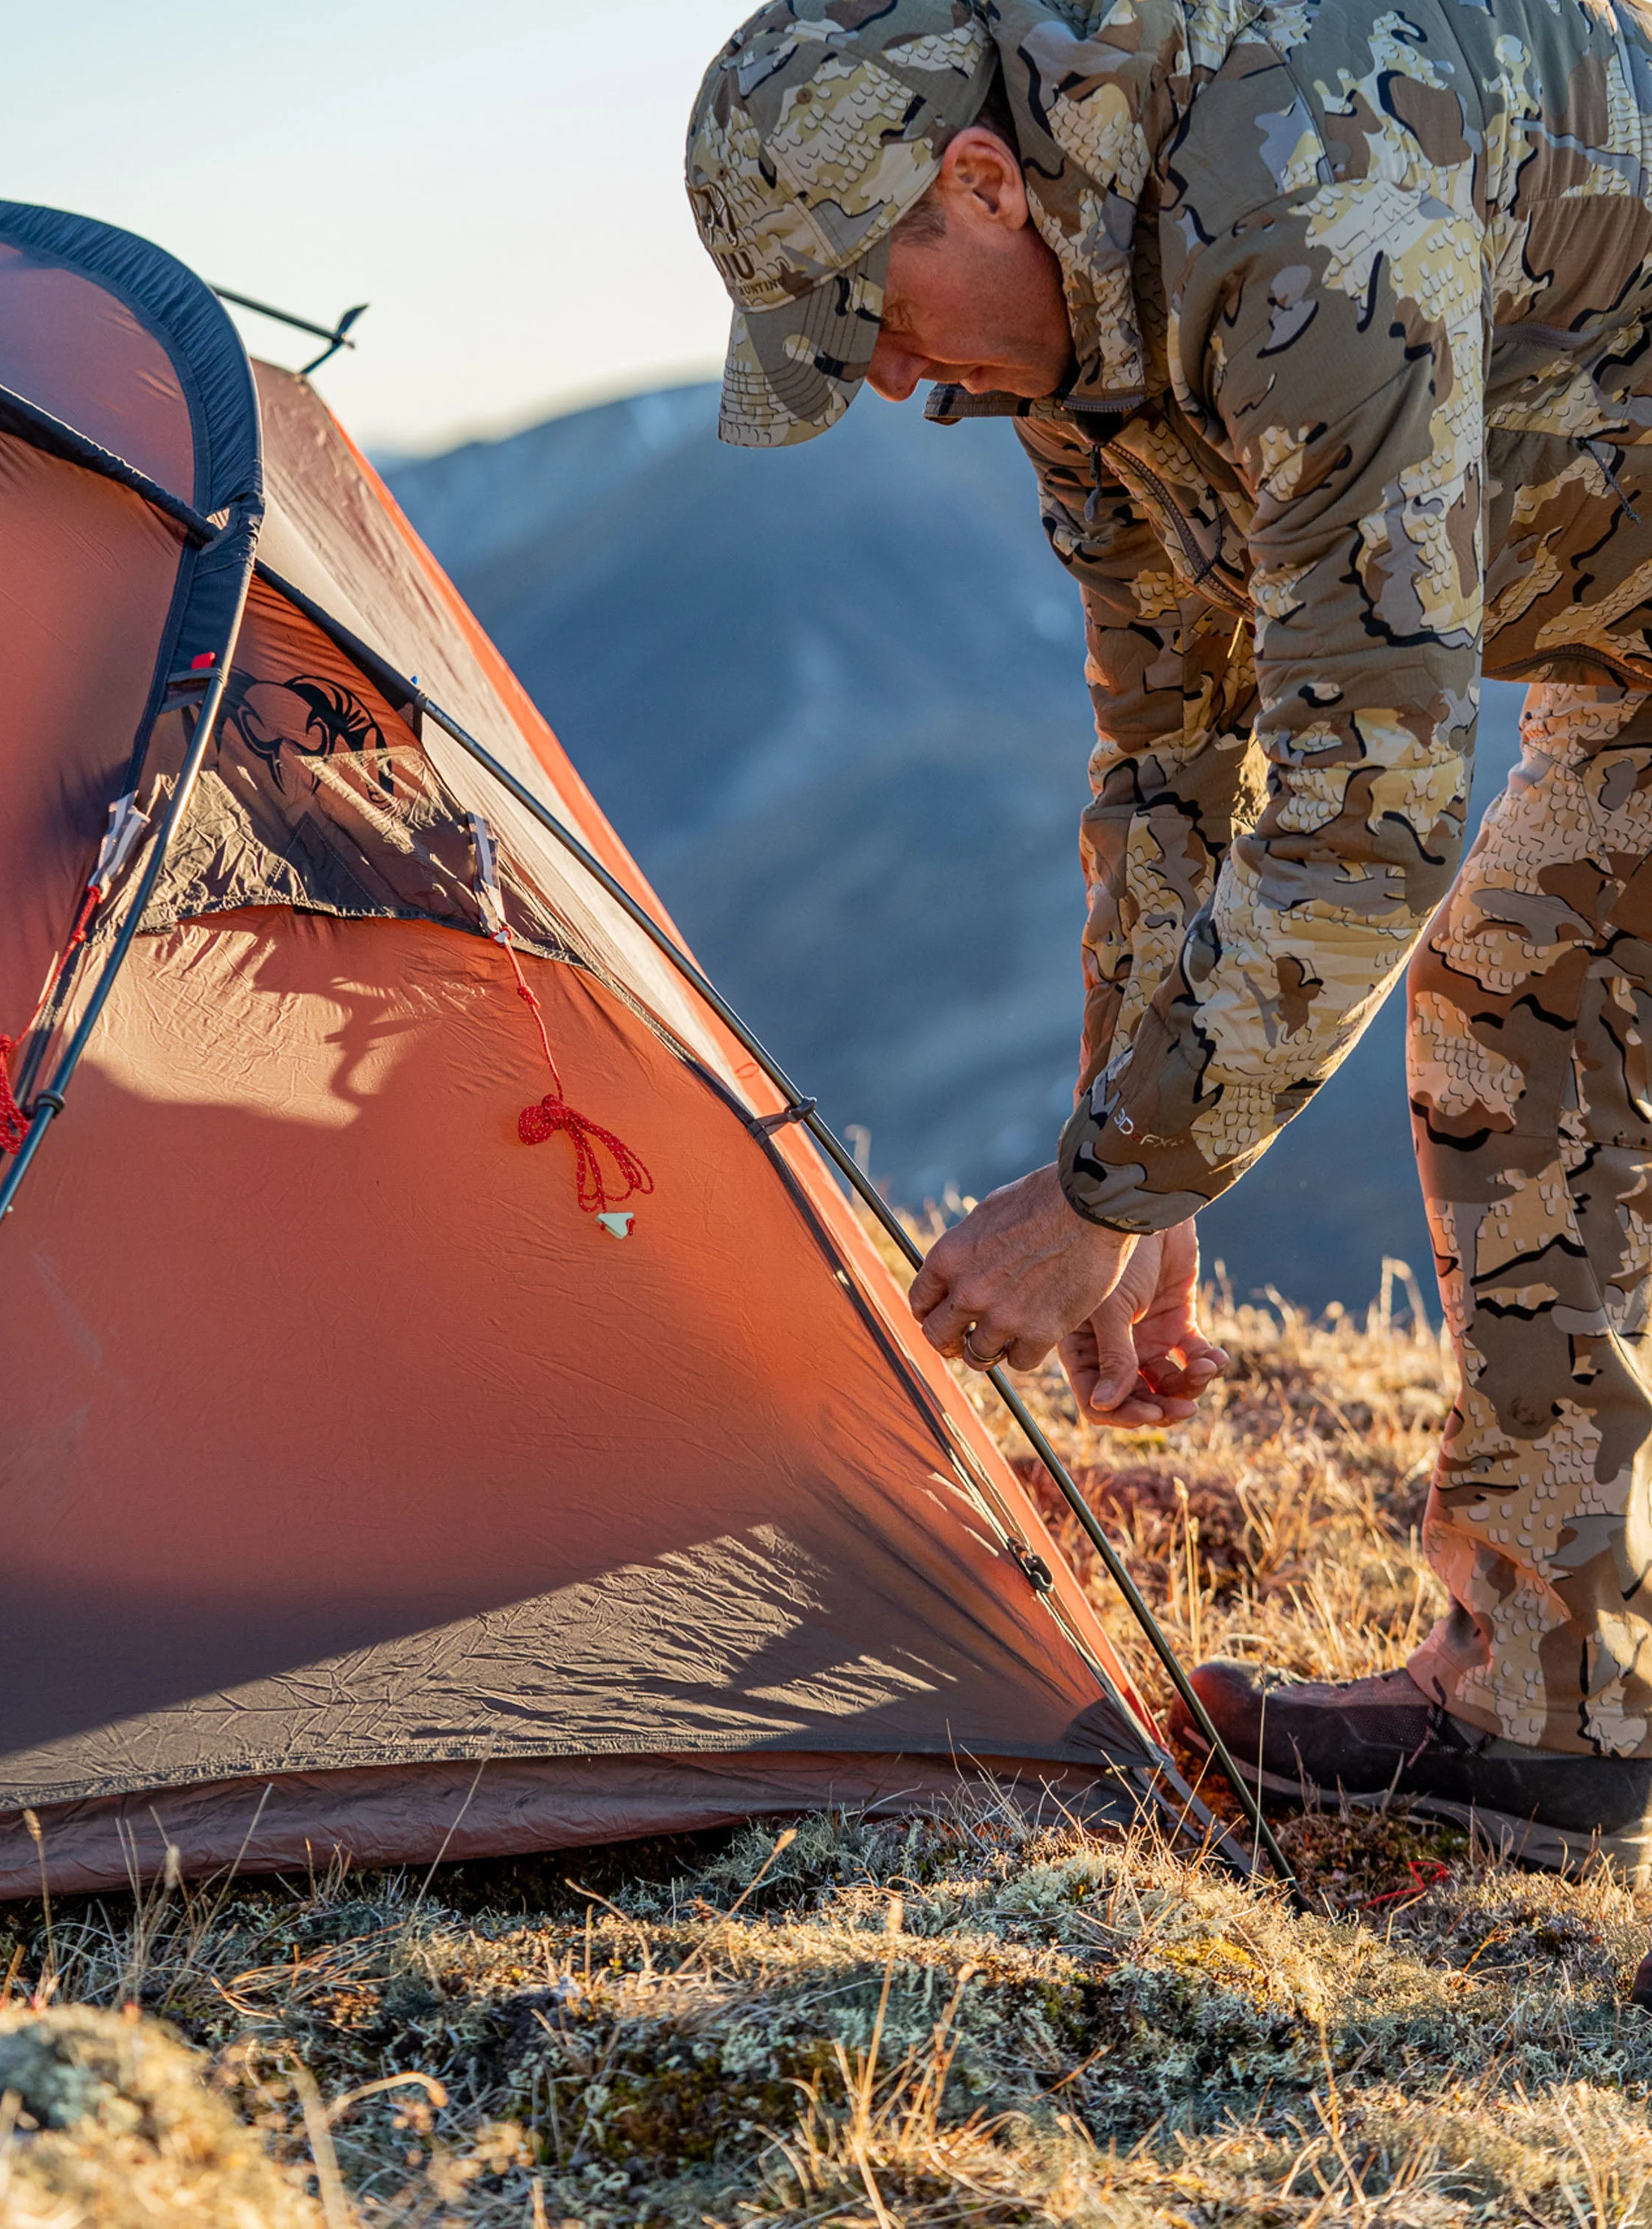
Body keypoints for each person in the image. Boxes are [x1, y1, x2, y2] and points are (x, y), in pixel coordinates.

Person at [686, 0, 1652, 1872]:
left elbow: (1361, 811)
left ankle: (1547, 1696)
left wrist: (1096, 1206)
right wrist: (1136, 1164)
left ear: (978, 184)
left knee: (1514, 979)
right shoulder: (1059, 340)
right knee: (1527, 992)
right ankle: (1543, 1715)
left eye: (870, 317)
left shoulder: (1306, 199)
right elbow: (1169, 760)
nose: (890, 381)